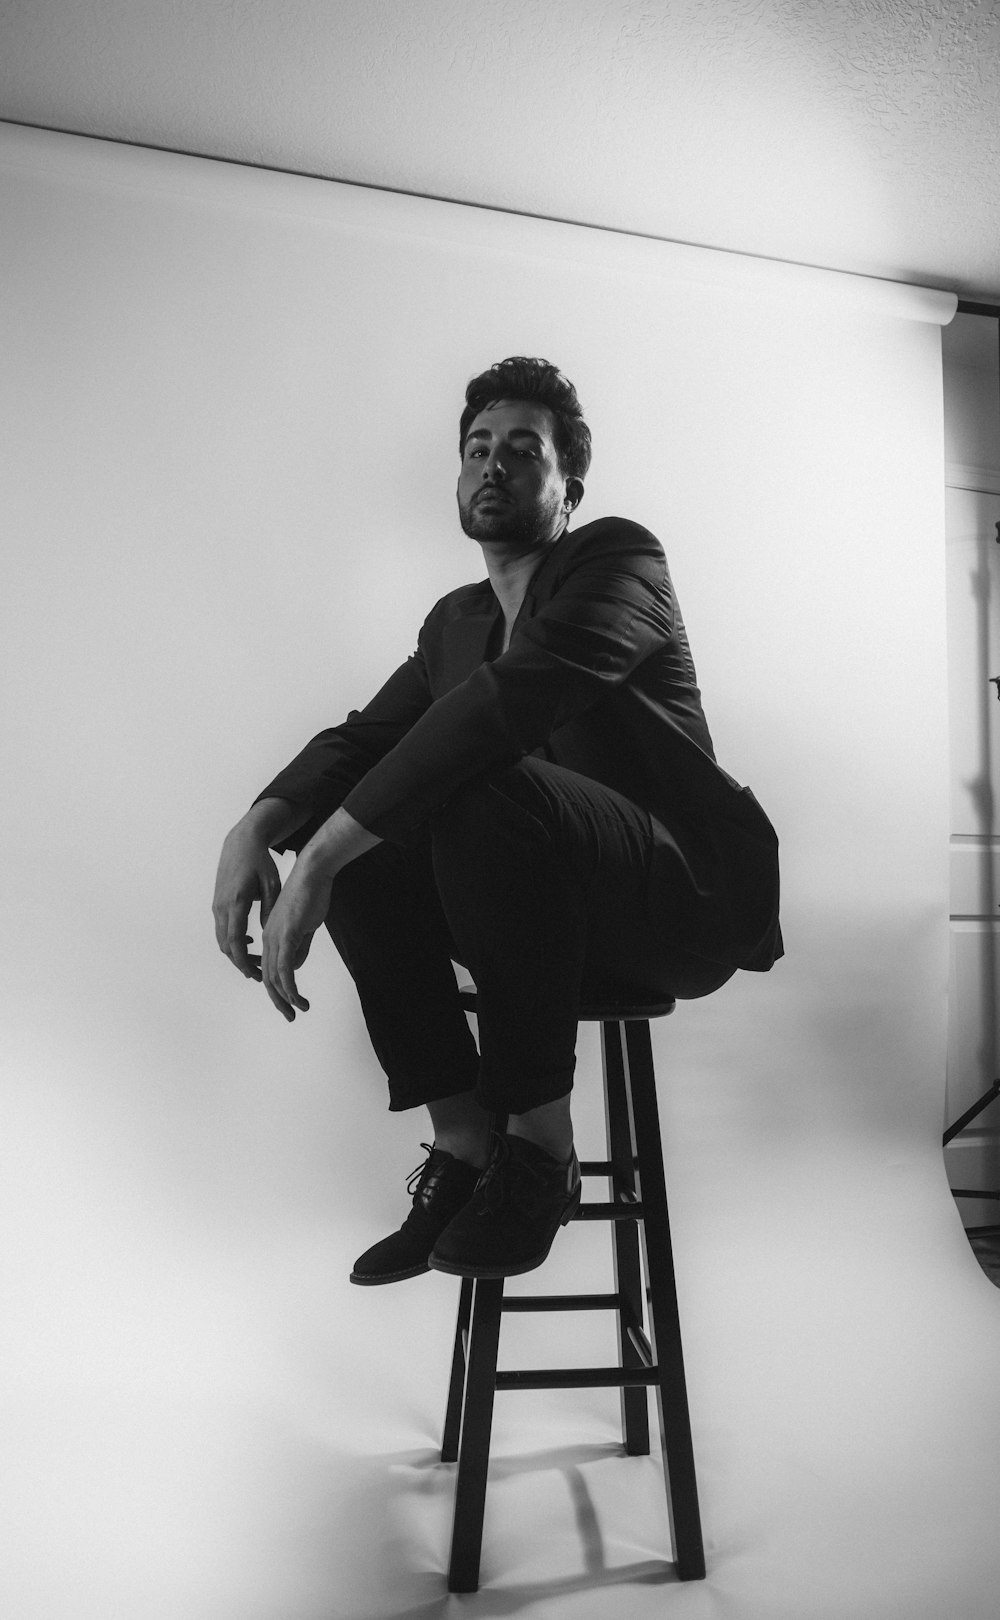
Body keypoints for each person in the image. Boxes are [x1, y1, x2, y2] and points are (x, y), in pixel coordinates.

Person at [212, 356, 781, 1287]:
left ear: (569, 488)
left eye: (524, 450)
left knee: (468, 784)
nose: (493, 465)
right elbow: (363, 744)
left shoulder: (619, 559)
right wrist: (256, 828)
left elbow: (512, 706)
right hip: (534, 919)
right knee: (376, 836)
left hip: (675, 900)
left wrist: (315, 855)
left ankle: (541, 1153)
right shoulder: (455, 622)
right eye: (478, 448)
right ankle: (465, 1145)